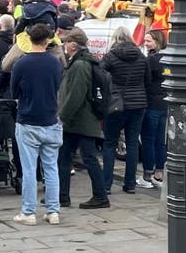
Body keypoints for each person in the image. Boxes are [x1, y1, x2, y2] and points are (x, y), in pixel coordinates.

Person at [11, 24, 65, 226]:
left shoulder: (21, 63)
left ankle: (28, 211)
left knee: (29, 169)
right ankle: (53, 211)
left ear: (29, 39)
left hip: (28, 119)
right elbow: (58, 86)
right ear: (48, 40)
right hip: (51, 119)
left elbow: (14, 92)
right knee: (51, 168)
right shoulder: (55, 63)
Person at [57, 27, 109, 209]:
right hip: (78, 120)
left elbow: (76, 94)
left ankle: (100, 196)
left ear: (73, 44)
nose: (64, 45)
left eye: (66, 42)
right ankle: (61, 196)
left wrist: (62, 116)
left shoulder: (80, 65)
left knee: (88, 158)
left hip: (80, 120)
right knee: (64, 157)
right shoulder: (80, 62)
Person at [100, 25, 151, 194]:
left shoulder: (110, 57)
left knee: (109, 143)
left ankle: (106, 184)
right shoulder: (142, 57)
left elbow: (100, 76)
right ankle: (130, 184)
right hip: (138, 104)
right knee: (132, 143)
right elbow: (148, 81)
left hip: (116, 104)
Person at [141, 28, 167, 189]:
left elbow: (146, 80)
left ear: (157, 42)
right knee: (160, 141)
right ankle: (159, 173)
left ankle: (147, 174)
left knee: (149, 140)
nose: (145, 43)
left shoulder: (151, 59)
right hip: (164, 103)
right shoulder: (169, 57)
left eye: (148, 40)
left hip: (152, 103)